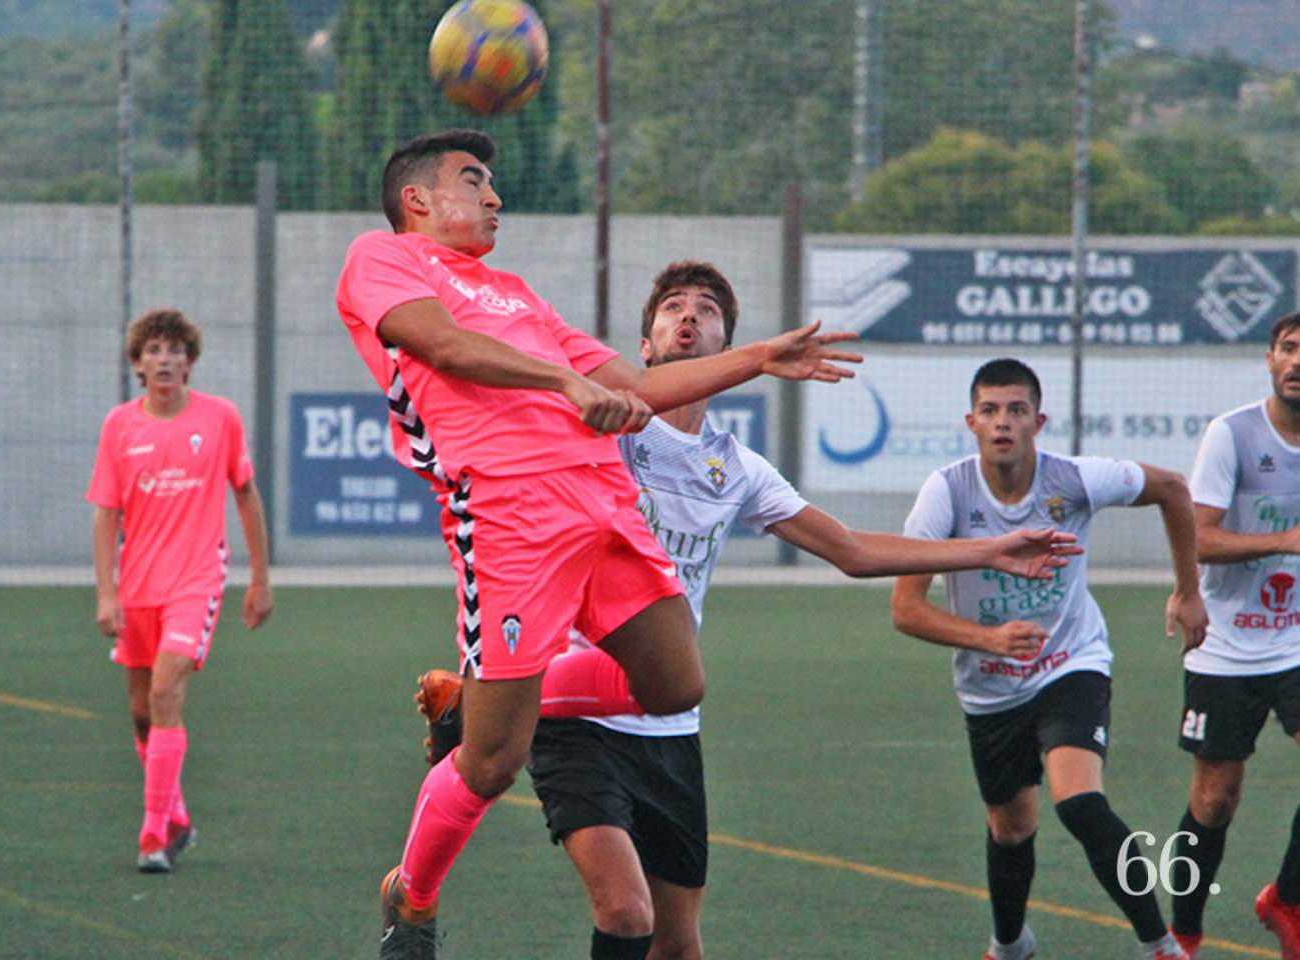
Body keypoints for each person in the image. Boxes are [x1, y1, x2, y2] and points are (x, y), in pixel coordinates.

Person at [417, 261, 1080, 960]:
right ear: (643, 349)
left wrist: (990, 549)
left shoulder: (735, 468)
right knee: (623, 912)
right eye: (671, 307)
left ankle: (474, 702)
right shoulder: (600, 429)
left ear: (727, 350)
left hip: (667, 720)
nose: (687, 318)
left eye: (706, 311)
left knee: (676, 945)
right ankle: (495, 703)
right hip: (573, 715)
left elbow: (852, 551)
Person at [336, 126, 866, 960]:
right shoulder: (384, 258)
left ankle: (469, 702)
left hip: (603, 508)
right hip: (511, 518)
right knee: (491, 765)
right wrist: (561, 380)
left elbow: (640, 385)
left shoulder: (518, 294)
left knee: (675, 682)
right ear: (417, 201)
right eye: (473, 181)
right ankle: (414, 898)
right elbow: (440, 346)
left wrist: (760, 357)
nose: (493, 196)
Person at [890, 358, 1206, 960]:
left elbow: (1173, 489)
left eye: (1015, 410)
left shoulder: (1075, 480)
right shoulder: (946, 492)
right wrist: (988, 640)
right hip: (990, 686)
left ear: (1040, 419)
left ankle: (1160, 945)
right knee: (1011, 829)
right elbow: (906, 609)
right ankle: (1010, 945)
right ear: (971, 422)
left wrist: (1188, 590)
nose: (1002, 422)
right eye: (989, 411)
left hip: (1071, 663)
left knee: (1080, 802)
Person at [87, 308, 274, 874]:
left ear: (190, 361)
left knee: (168, 691)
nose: (164, 359)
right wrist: (106, 593)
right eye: (153, 350)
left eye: (175, 350)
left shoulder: (220, 418)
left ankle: (151, 835)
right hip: (138, 585)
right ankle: (179, 818)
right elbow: (105, 515)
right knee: (142, 712)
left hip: (196, 581)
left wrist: (261, 580)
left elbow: (246, 495)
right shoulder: (120, 425)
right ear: (137, 365)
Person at [1165, 310, 1300, 960]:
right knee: (1213, 799)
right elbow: (1197, 537)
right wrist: (1282, 540)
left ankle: (1288, 900)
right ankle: (1183, 934)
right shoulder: (1233, 435)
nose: (1297, 361)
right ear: (1269, 359)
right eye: (1288, 348)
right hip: (1226, 647)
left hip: (1297, 644)